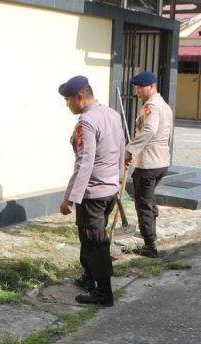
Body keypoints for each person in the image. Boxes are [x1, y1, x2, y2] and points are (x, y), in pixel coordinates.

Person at [58, 75, 125, 306]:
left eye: (68, 100)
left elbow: (85, 162)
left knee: (95, 242)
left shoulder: (86, 122)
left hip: (94, 192)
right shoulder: (112, 114)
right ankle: (89, 278)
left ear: (80, 97)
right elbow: (121, 148)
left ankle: (103, 292)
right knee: (91, 239)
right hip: (108, 190)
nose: (67, 105)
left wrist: (70, 197)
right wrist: (116, 182)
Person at [125, 71, 174, 258]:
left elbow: (149, 130)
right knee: (149, 198)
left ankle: (150, 245)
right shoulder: (164, 105)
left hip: (149, 162)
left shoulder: (152, 106)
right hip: (161, 161)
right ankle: (151, 230)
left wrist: (129, 151)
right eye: (136, 88)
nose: (138, 91)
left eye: (140, 88)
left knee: (143, 202)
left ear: (152, 86)